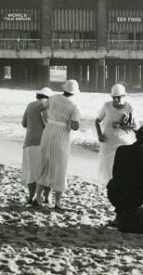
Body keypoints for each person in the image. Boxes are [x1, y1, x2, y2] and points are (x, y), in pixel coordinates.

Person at [33, 80, 81, 211]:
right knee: (60, 167)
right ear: (74, 92)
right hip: (61, 136)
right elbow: (75, 126)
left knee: (45, 165)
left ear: (64, 89)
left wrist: (47, 122)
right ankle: (58, 202)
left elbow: (40, 110)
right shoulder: (74, 106)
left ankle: (38, 197)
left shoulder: (53, 98)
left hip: (48, 132)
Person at [107, 124, 143, 233]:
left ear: (136, 136)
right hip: (136, 198)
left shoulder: (121, 150)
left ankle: (119, 216)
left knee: (123, 181)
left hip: (114, 193)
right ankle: (125, 217)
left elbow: (115, 172)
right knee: (137, 184)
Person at [95, 83, 136, 187]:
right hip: (108, 140)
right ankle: (112, 186)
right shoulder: (106, 106)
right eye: (114, 97)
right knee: (107, 166)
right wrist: (99, 135)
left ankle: (122, 184)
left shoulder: (129, 107)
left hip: (124, 141)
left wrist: (121, 125)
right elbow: (97, 121)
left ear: (124, 96)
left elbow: (135, 127)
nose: (117, 100)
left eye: (119, 97)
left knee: (124, 165)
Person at [21, 87, 52, 205]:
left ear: (38, 95)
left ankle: (30, 196)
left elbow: (24, 124)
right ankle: (46, 197)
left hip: (29, 142)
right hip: (45, 142)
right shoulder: (48, 105)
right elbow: (50, 124)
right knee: (46, 171)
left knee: (31, 172)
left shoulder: (30, 105)